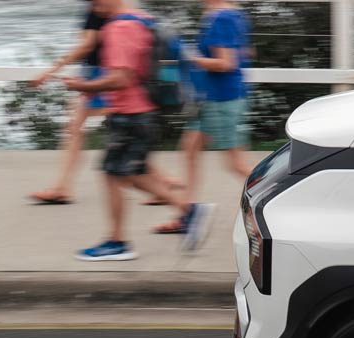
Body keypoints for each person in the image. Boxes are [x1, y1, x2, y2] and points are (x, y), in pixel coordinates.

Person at [63, 0, 213, 261]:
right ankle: (175, 216)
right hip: (140, 112)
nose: (92, 4)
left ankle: (123, 239)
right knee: (125, 174)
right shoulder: (141, 19)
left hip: (129, 115)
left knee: (120, 175)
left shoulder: (119, 28)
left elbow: (122, 77)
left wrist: (83, 86)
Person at [159, 0, 251, 234]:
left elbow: (226, 63)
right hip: (213, 98)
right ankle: (186, 214)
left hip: (223, 100)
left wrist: (189, 56)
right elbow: (247, 52)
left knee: (235, 164)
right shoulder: (228, 14)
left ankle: (283, 199)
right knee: (189, 148)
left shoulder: (223, 18)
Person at [25, 1, 110, 205]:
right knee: (75, 128)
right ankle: (62, 187)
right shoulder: (99, 7)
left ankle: (162, 184)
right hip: (95, 72)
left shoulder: (98, 7)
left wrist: (51, 70)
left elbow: (88, 44)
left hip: (102, 75)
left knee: (123, 129)